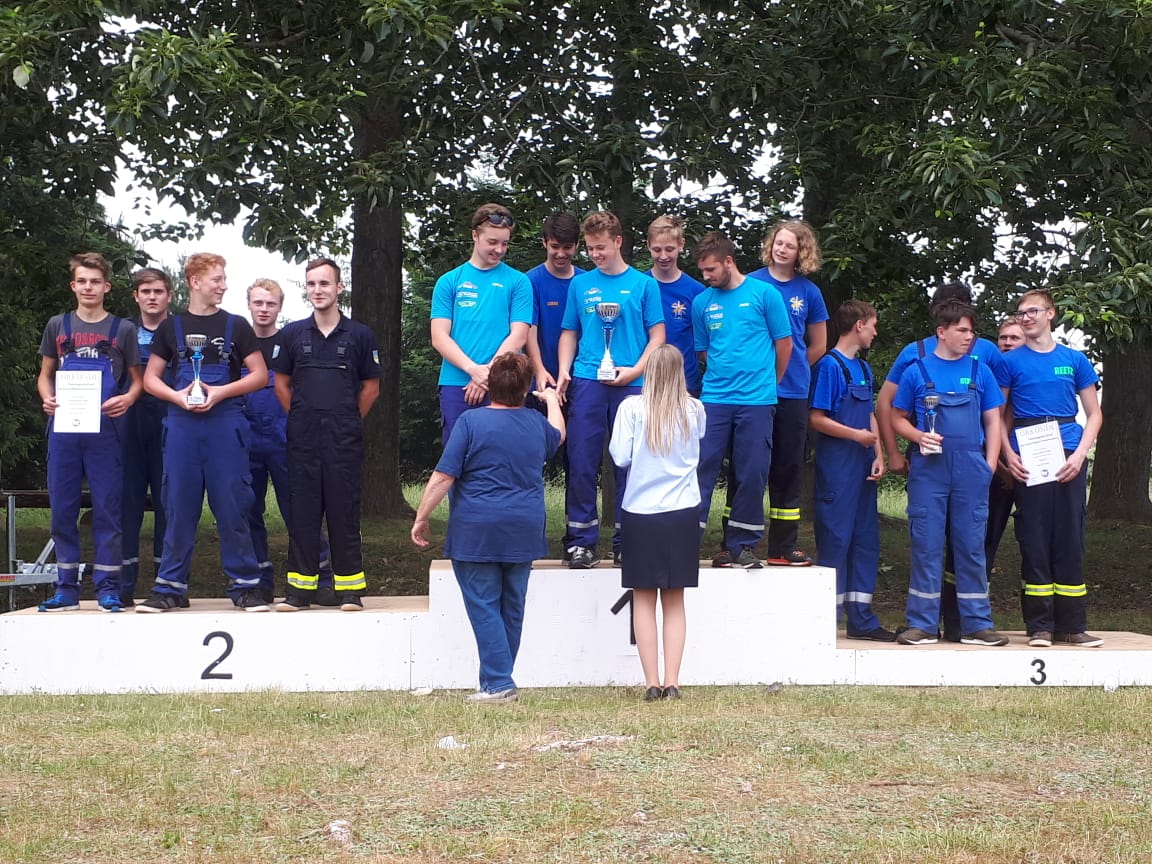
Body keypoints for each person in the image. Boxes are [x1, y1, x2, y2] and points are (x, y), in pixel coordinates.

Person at [411, 353, 564, 703]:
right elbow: (559, 435)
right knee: (512, 607)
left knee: (484, 606)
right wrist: (552, 400)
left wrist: (421, 516)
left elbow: (444, 476)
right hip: (524, 527)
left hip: (476, 530)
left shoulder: (469, 422)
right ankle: (499, 680)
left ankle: (497, 683)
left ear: (489, 385)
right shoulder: (535, 423)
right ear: (525, 389)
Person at [876, 280, 1008, 640]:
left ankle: (977, 625)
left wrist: (990, 464)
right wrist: (917, 437)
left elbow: (993, 420)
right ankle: (921, 624)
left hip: (971, 470)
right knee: (927, 546)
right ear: (942, 332)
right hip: (929, 470)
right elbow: (896, 416)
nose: (969, 337)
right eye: (962, 331)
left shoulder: (980, 370)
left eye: (971, 331)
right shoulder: (917, 370)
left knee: (971, 547)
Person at [137, 253, 269, 612]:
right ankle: (170, 587)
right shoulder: (171, 327)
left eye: (223, 279)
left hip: (226, 425)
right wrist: (177, 397)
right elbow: (150, 379)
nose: (224, 285)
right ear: (195, 282)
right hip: (182, 427)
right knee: (178, 506)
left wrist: (221, 392)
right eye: (217, 279)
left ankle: (245, 587)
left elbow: (259, 375)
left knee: (233, 506)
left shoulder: (236, 326)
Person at [557, 210, 665, 569]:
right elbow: (569, 331)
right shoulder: (580, 285)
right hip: (588, 379)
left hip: (632, 382)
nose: (595, 255)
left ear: (618, 242)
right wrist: (564, 370)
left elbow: (658, 337)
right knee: (582, 460)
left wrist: (635, 370)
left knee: (631, 464)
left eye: (601, 247)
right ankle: (581, 542)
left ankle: (627, 541)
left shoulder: (644, 285)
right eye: (590, 249)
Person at [36, 252, 142, 612]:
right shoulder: (58, 325)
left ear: (106, 286)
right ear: (73, 285)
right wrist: (47, 398)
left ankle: (108, 588)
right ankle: (66, 588)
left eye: (95, 281)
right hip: (64, 430)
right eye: (82, 281)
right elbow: (45, 375)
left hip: (106, 432)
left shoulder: (122, 329)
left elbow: (138, 381)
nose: (88, 287)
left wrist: (127, 398)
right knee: (62, 509)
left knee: (108, 510)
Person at [997, 290, 1103, 647]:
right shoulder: (1010, 362)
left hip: (1068, 452)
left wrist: (1081, 454)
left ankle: (1072, 625)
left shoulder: (1074, 360)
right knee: (1035, 535)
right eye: (1021, 313)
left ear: (1051, 314)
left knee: (1069, 535)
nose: (1026, 318)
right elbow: (998, 416)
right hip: (1028, 453)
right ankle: (1040, 625)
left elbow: (1094, 414)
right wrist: (1008, 455)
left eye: (1033, 311)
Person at [275, 258, 381, 611]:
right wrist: (302, 417)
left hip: (343, 439)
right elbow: (281, 384)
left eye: (324, 283)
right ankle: (299, 592)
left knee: (343, 512)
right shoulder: (292, 334)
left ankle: (349, 590)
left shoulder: (360, 335)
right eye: (312, 284)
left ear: (339, 287)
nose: (317, 290)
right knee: (302, 514)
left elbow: (371, 388)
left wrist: (347, 419)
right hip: (303, 439)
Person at [609, 345, 706, 700]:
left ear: (648, 371)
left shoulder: (631, 408)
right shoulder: (695, 409)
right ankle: (673, 682)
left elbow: (620, 457)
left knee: (644, 599)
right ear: (681, 373)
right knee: (675, 601)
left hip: (641, 512)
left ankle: (651, 683)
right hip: (683, 511)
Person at [691, 231, 791, 569]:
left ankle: (742, 544)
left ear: (729, 262)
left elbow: (784, 344)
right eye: (702, 271)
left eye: (711, 269)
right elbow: (704, 351)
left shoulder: (765, 294)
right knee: (700, 468)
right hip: (714, 399)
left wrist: (770, 384)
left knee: (752, 473)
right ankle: (687, 540)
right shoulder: (702, 303)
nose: (706, 276)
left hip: (757, 400)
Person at [809, 300, 895, 641]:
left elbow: (870, 415)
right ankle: (825, 622)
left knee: (865, 542)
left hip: (862, 469)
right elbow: (816, 419)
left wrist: (879, 454)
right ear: (859, 325)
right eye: (873, 325)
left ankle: (862, 620)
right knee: (836, 541)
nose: (875, 332)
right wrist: (855, 436)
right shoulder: (829, 366)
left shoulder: (863, 368)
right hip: (837, 470)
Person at [245, 278, 334, 604]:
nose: (264, 309)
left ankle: (320, 578)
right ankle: (259, 582)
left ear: (280, 307)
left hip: (287, 438)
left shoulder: (292, 341)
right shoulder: (239, 343)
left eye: (270, 303)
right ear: (249, 305)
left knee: (300, 511)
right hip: (246, 440)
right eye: (258, 303)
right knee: (248, 512)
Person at [748, 220, 829, 566]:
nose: (782, 249)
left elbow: (819, 344)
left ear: (801, 252)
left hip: (793, 390)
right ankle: (737, 542)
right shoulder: (750, 283)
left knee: (788, 466)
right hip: (753, 390)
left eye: (790, 246)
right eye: (778, 243)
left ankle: (783, 546)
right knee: (749, 466)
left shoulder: (809, 292)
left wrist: (790, 367)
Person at [431, 203, 532, 443]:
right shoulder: (449, 282)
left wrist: (487, 375)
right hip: (457, 384)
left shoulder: (519, 282)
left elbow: (519, 335)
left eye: (505, 243)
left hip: (505, 385)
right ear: (475, 235)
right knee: (458, 454)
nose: (499, 249)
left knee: (503, 453)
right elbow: (439, 337)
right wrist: (472, 370)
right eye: (492, 242)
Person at [525, 213, 583, 553]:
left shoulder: (586, 281)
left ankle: (577, 541)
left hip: (579, 384)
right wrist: (540, 370)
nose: (561, 254)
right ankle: (531, 539)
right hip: (539, 384)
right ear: (545, 243)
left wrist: (570, 375)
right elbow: (527, 329)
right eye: (555, 246)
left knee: (578, 464)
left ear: (577, 246)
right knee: (532, 462)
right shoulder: (530, 281)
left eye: (567, 247)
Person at [120, 268, 172, 607]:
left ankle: (168, 585)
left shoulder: (180, 331)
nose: (152, 297)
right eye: (145, 291)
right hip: (128, 425)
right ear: (136, 296)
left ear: (169, 296)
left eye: (158, 291)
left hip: (170, 423)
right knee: (127, 505)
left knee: (171, 506)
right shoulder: (122, 331)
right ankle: (123, 585)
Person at [645, 215, 706, 396]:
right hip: (646, 380)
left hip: (685, 382)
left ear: (681, 245)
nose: (663, 256)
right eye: (657, 249)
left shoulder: (697, 291)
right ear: (648, 246)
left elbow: (703, 342)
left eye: (669, 249)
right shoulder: (639, 285)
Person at [984, 316, 1026, 578]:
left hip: (1028, 464)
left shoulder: (1031, 377)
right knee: (987, 533)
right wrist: (1002, 470)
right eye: (1003, 338)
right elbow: (985, 428)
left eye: (1014, 338)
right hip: (995, 469)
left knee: (1032, 534)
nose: (1008, 343)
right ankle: (976, 591)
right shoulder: (987, 376)